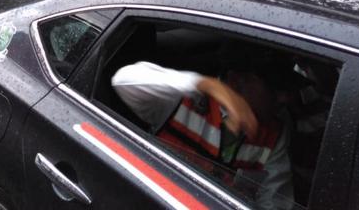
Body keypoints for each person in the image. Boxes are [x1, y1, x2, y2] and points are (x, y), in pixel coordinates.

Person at [113, 56, 294, 209]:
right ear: (239, 80)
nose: (285, 98)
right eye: (274, 89)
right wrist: (208, 85)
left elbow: (274, 200)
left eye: (287, 90)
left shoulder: (274, 134)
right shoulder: (184, 99)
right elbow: (124, 80)